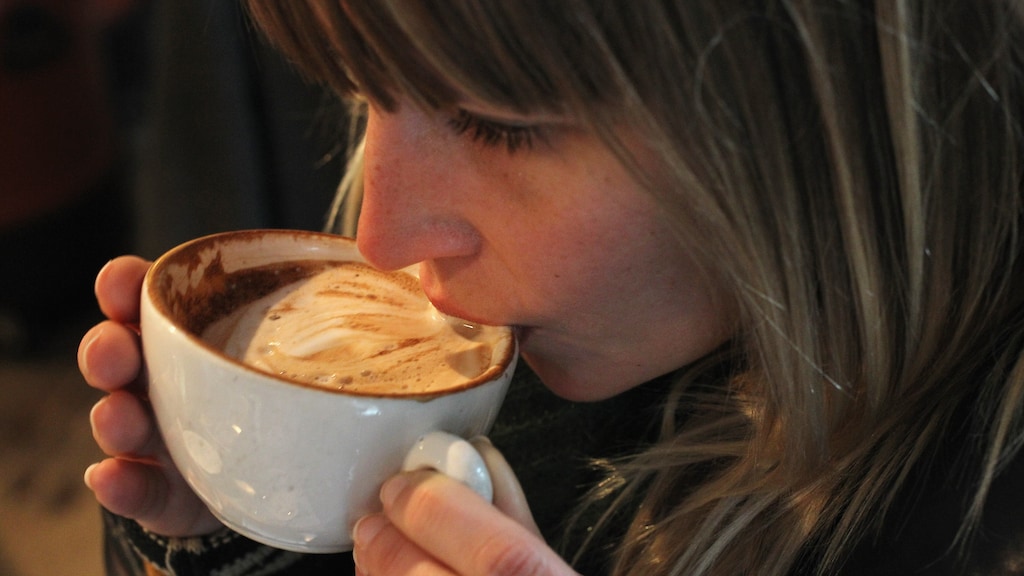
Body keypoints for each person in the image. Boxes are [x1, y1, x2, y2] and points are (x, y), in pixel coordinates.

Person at [78, 1, 1024, 574]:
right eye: (363, 94)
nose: (380, 238)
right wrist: (257, 535)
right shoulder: (540, 336)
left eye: (496, 126)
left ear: (832, 110)